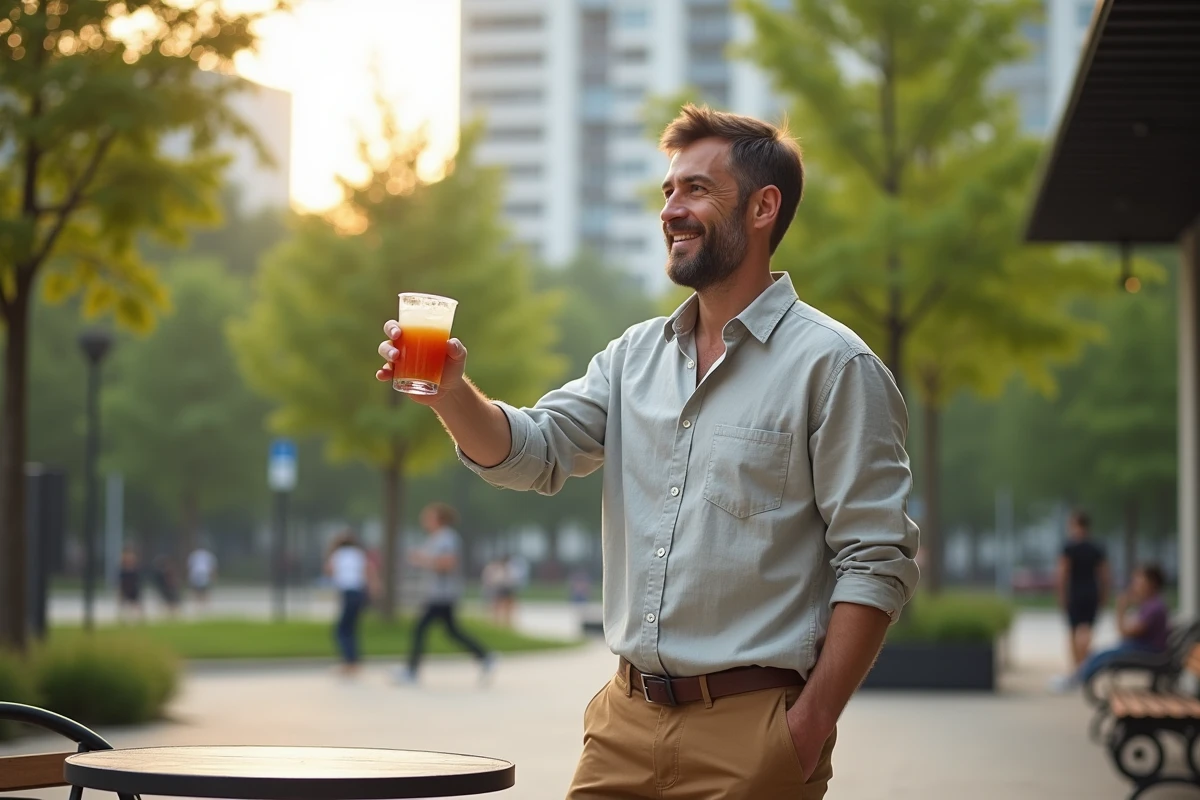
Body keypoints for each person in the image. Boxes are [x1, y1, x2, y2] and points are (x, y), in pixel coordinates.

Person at [375, 105, 919, 797]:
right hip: (622, 728)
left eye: (696, 189)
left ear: (763, 208)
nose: (672, 209)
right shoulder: (632, 359)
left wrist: (807, 728)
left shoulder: (835, 367)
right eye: (668, 191)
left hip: (756, 735)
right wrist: (450, 394)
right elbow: (536, 452)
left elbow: (875, 558)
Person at [396, 503, 494, 684]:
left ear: (438, 519)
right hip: (437, 593)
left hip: (442, 594)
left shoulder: (447, 538)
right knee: (452, 631)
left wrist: (422, 559)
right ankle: (484, 656)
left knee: (420, 629)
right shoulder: (436, 538)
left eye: (428, 516)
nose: (424, 520)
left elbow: (449, 563)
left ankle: (411, 671)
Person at [1056, 563, 1171, 691]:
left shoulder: (1154, 607)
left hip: (1147, 652)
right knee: (1100, 655)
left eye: (1138, 581)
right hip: (1143, 649)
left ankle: (1077, 680)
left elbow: (1125, 633)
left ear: (1151, 583)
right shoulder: (1152, 604)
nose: (1134, 585)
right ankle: (1078, 678)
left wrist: (1121, 609)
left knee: (1102, 656)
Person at [1056, 510, 1110, 674]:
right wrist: (1104, 595)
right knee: (1087, 629)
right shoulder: (1096, 547)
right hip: (1091, 592)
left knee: (1073, 630)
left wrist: (1061, 595)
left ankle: (1076, 666)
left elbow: (1062, 574)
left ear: (1074, 525)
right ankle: (1084, 664)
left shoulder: (1069, 547)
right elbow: (1104, 575)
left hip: (1074, 593)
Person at [324, 529, 378, 676]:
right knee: (352, 628)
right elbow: (370, 570)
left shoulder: (337, 555)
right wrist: (373, 588)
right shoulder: (358, 554)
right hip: (359, 592)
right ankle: (353, 661)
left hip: (348, 593)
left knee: (341, 630)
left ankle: (349, 662)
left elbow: (329, 571)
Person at [481, 555, 517, 627]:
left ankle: (507, 621)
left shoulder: (508, 568)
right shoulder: (494, 568)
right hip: (498, 587)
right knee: (497, 605)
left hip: (506, 588)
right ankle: (496, 621)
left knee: (508, 605)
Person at [116, 547, 144, 624]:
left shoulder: (135, 570)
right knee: (125, 606)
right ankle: (124, 620)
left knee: (135, 605)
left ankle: (138, 620)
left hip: (133, 589)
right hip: (126, 589)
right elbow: (120, 582)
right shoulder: (123, 571)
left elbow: (138, 581)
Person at [150, 554, 182, 619]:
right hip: (167, 589)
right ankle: (171, 615)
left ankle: (173, 615)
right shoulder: (162, 572)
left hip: (170, 588)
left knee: (172, 602)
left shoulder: (167, 570)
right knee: (170, 603)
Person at [187, 546, 218, 610]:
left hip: (196, 573)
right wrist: (213, 576)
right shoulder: (208, 555)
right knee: (205, 590)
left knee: (197, 591)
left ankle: (198, 605)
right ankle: (204, 605)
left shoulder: (194, 554)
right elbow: (212, 567)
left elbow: (190, 566)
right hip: (204, 573)